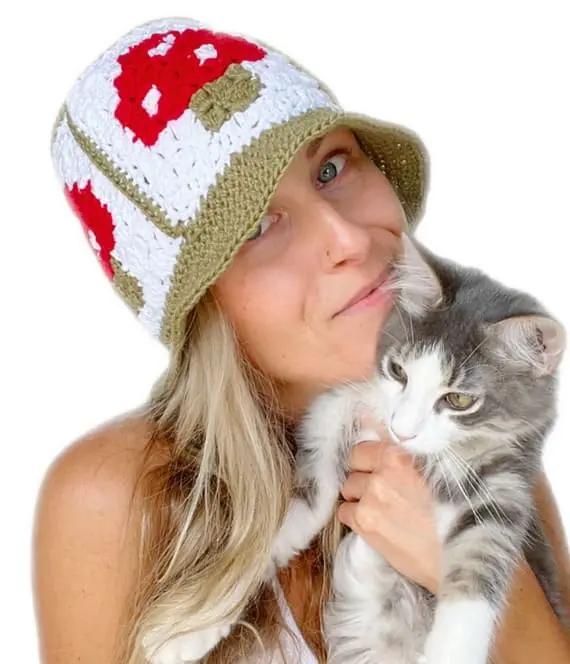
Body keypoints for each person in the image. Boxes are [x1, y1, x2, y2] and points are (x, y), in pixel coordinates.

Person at [32, 16, 570, 664]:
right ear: (203, 305)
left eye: (331, 168)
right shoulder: (111, 501)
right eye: (259, 226)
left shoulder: (474, 434)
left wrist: (478, 577)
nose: (349, 239)